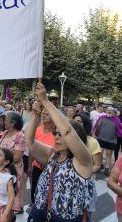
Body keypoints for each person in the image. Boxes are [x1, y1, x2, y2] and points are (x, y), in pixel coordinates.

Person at [25, 83, 93, 222]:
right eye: (55, 133)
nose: (56, 136)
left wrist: (45, 101)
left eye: (60, 134)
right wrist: (35, 115)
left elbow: (67, 131)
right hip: (42, 214)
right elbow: (29, 141)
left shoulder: (83, 160)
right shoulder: (53, 155)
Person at [73, 112, 102, 219]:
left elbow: (98, 165)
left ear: (85, 125)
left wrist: (83, 172)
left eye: (78, 122)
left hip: (86, 184)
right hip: (68, 184)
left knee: (86, 215)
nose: (75, 123)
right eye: (74, 121)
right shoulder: (67, 139)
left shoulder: (93, 142)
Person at [0, 111, 26, 214]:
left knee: (12, 192)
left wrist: (2, 159)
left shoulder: (20, 136)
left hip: (13, 170)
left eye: (6, 120)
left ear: (12, 123)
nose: (4, 122)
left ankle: (12, 212)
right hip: (2, 168)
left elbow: (17, 157)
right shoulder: (4, 133)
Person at [29, 106, 56, 204]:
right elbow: (31, 149)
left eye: (47, 114)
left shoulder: (56, 133)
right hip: (37, 167)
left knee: (47, 196)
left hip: (51, 170)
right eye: (43, 114)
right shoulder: (37, 130)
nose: (44, 116)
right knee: (34, 193)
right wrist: (29, 166)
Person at [94, 106, 122, 175]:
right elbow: (97, 126)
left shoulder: (116, 120)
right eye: (108, 110)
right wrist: (95, 134)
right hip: (101, 138)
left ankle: (107, 168)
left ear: (113, 112)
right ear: (106, 111)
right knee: (99, 153)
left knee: (109, 155)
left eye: (111, 110)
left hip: (111, 140)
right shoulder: (102, 117)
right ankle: (98, 165)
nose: (109, 111)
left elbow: (120, 129)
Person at [0, 148, 17, 222]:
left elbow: (11, 198)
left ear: (6, 162)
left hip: (1, 209)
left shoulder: (8, 178)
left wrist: (5, 214)